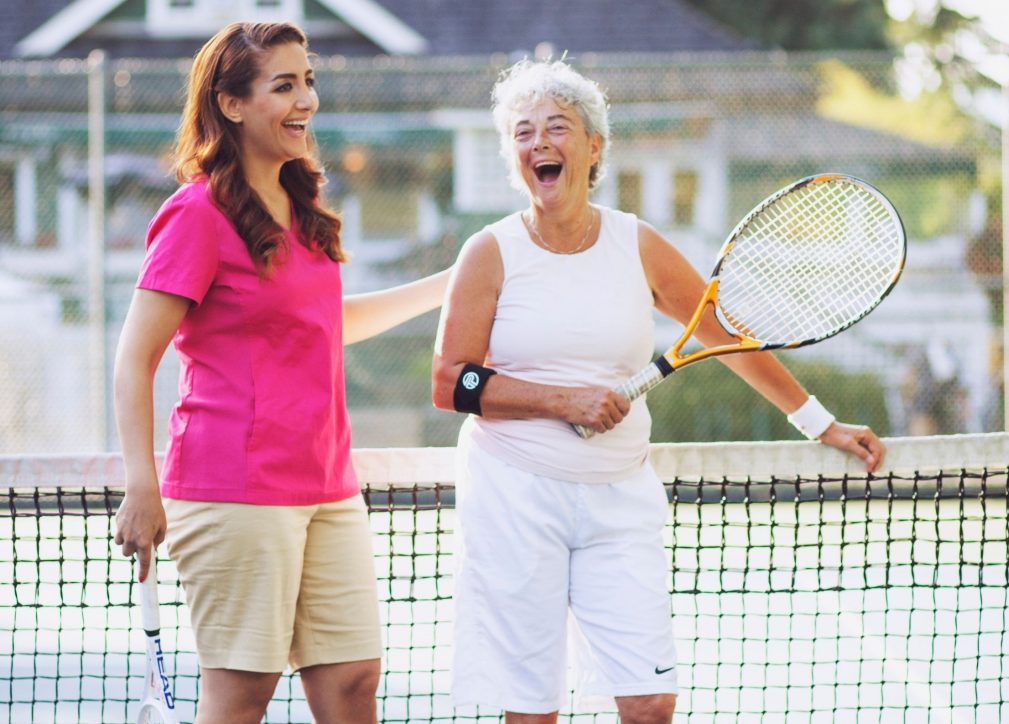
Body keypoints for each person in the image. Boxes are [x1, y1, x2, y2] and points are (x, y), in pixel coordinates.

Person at [431, 58, 887, 723]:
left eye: (557, 128)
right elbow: (452, 382)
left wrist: (821, 423)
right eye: (522, 134)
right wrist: (564, 401)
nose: (539, 144)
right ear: (512, 157)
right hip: (513, 496)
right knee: (532, 711)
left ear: (593, 147)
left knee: (649, 703)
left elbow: (727, 336)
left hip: (621, 499)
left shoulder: (636, 243)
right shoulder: (489, 251)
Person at [113, 22, 449, 724]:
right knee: (242, 698)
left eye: (310, 81)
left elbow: (324, 321)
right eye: (285, 85)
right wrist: (142, 485)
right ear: (232, 105)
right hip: (234, 489)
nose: (308, 101)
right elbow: (134, 358)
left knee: (355, 682)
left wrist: (452, 282)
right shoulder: (196, 215)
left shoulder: (301, 210)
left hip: (328, 487)